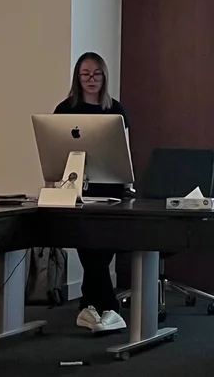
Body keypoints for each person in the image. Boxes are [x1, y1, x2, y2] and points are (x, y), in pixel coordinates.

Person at [53, 51, 129, 333]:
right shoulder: (64, 110)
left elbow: (124, 152)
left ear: (104, 77)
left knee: (100, 249)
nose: (91, 79)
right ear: (77, 77)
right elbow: (55, 149)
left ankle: (90, 306)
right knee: (89, 247)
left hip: (111, 191)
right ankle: (107, 308)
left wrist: (127, 184)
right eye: (85, 74)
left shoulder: (116, 110)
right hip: (77, 189)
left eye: (96, 73)